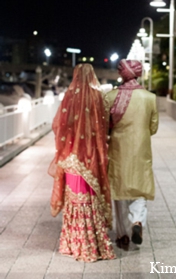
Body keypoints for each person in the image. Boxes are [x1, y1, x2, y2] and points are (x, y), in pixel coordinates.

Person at [49, 63, 115, 262]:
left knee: (75, 198)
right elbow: (105, 127)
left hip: (72, 157)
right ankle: (94, 244)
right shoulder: (99, 97)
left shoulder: (70, 97)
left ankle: (74, 242)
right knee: (90, 198)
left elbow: (58, 125)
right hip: (92, 158)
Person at [106, 59, 159, 249]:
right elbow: (153, 128)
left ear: (122, 74)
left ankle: (122, 235)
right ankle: (137, 222)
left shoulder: (110, 97)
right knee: (140, 189)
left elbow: (105, 127)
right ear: (138, 73)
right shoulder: (150, 97)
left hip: (118, 150)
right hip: (141, 150)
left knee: (119, 192)